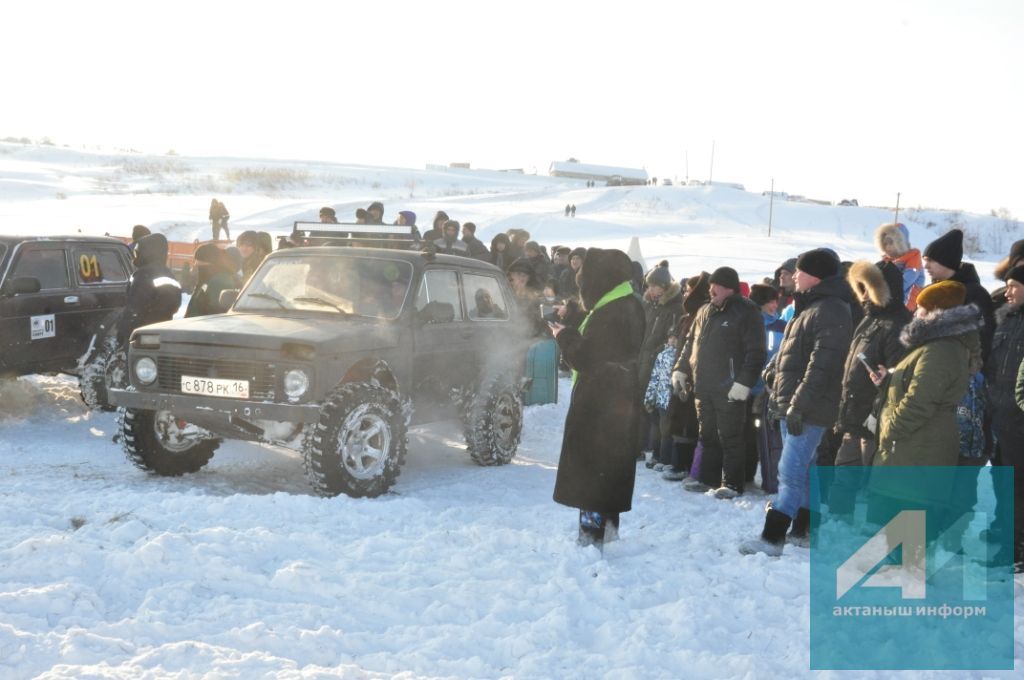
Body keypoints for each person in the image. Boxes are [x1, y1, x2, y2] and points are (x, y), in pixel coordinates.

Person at [740, 249, 852, 556]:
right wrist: (771, 371)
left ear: (815, 275)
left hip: (808, 408)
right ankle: (804, 530)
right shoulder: (809, 307)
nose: (794, 275)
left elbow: (823, 365)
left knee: (789, 472)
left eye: (799, 271)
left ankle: (771, 538)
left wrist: (799, 405)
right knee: (803, 471)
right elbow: (794, 353)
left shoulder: (831, 310)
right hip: (793, 403)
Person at [548, 248, 646, 547]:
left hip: (600, 401)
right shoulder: (627, 303)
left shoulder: (611, 312)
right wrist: (575, 316)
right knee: (612, 466)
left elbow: (587, 357)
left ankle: (591, 536)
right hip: (620, 396)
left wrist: (563, 336)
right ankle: (611, 528)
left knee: (592, 467)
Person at [869, 281, 982, 530]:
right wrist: (888, 381)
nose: (914, 313)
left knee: (908, 531)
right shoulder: (932, 345)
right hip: (913, 445)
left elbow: (921, 400)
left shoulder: (941, 349)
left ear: (934, 313)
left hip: (919, 447)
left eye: (920, 309)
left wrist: (891, 429)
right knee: (899, 532)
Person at [674, 266, 766, 499]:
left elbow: (756, 352)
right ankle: (707, 478)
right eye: (710, 286)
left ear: (729, 288)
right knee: (707, 434)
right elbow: (690, 344)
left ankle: (733, 483)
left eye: (716, 286)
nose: (710, 290)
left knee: (731, 435)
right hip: (703, 384)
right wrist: (681, 369)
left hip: (729, 385)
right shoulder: (705, 310)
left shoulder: (746, 311)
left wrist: (744, 382)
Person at [984, 266, 1024, 570]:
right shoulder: (1006, 319)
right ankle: (1007, 537)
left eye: (1014, 286)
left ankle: (1013, 550)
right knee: (1003, 481)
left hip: (1019, 418)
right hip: (999, 415)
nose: (1007, 292)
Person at [663, 272, 710, 481]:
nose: (685, 294)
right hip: (681, 372)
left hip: (694, 376)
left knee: (688, 422)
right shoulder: (687, 317)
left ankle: (685, 464)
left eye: (689, 290)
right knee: (678, 418)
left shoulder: (702, 314)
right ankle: (676, 461)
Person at [922, 228, 995, 359]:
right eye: (925, 260)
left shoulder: (975, 294)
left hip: (958, 368)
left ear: (946, 260)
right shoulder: (929, 291)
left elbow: (984, 336)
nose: (925, 266)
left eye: (930, 260)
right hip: (927, 361)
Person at [638, 265, 684, 466]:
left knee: (657, 411)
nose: (650, 290)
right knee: (641, 407)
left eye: (654, 286)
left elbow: (670, 339)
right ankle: (639, 448)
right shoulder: (650, 305)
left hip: (659, 366)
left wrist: (655, 351)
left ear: (664, 287)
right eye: (649, 286)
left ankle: (657, 453)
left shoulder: (675, 309)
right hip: (643, 361)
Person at [748, 283, 787, 492]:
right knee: (748, 435)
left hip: (769, 390)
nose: (775, 305)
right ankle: (747, 474)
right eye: (770, 301)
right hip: (748, 388)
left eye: (776, 301)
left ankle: (771, 480)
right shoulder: (750, 325)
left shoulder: (782, 325)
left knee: (769, 437)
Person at [116, 233, 182, 346]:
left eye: (138, 252)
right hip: (160, 332)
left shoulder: (143, 275)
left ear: (147, 253)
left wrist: (122, 332)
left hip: (139, 335)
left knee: (135, 363)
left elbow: (134, 309)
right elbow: (175, 304)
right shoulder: (169, 274)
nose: (135, 256)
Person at [875, 222, 925, 311]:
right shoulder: (887, 261)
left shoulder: (913, 258)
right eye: (885, 243)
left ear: (901, 243)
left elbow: (902, 283)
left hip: (908, 308)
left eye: (891, 243)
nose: (888, 247)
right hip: (892, 305)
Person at [185, 244, 238, 317]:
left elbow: (215, 313)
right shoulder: (207, 278)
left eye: (199, 261)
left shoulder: (218, 282)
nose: (195, 264)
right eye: (196, 260)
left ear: (211, 262)